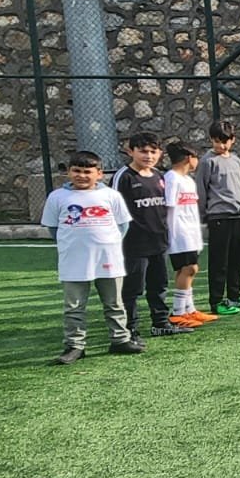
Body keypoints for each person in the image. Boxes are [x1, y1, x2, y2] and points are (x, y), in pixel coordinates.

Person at [42, 151, 143, 363]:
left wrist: (108, 244)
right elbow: (53, 228)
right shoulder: (57, 197)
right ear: (69, 172)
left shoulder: (111, 196)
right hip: (74, 260)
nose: (81, 176)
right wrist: (73, 244)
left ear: (99, 174)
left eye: (87, 172)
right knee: (74, 307)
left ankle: (120, 340)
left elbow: (122, 226)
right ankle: (75, 346)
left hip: (108, 258)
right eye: (76, 171)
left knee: (114, 303)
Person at [113, 132, 187, 337]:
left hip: (159, 241)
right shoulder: (124, 177)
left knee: (159, 285)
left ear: (160, 153)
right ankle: (130, 329)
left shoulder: (159, 176)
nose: (148, 156)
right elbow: (114, 209)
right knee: (132, 288)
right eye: (143, 151)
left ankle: (160, 322)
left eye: (153, 152)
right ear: (131, 151)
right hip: (134, 244)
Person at [196, 119, 240, 315]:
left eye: (225, 141)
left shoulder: (235, 160)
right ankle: (216, 301)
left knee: (237, 259)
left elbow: (238, 186)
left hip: (237, 215)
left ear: (233, 140)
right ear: (211, 140)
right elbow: (201, 189)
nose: (221, 146)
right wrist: (203, 214)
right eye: (217, 141)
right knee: (219, 261)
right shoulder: (207, 161)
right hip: (218, 216)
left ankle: (235, 296)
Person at [164, 141, 215, 327]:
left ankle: (189, 309)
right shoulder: (171, 178)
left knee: (186, 270)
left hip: (191, 232)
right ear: (188, 158)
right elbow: (168, 206)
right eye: (195, 157)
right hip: (179, 232)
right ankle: (178, 313)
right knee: (189, 269)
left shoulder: (188, 180)